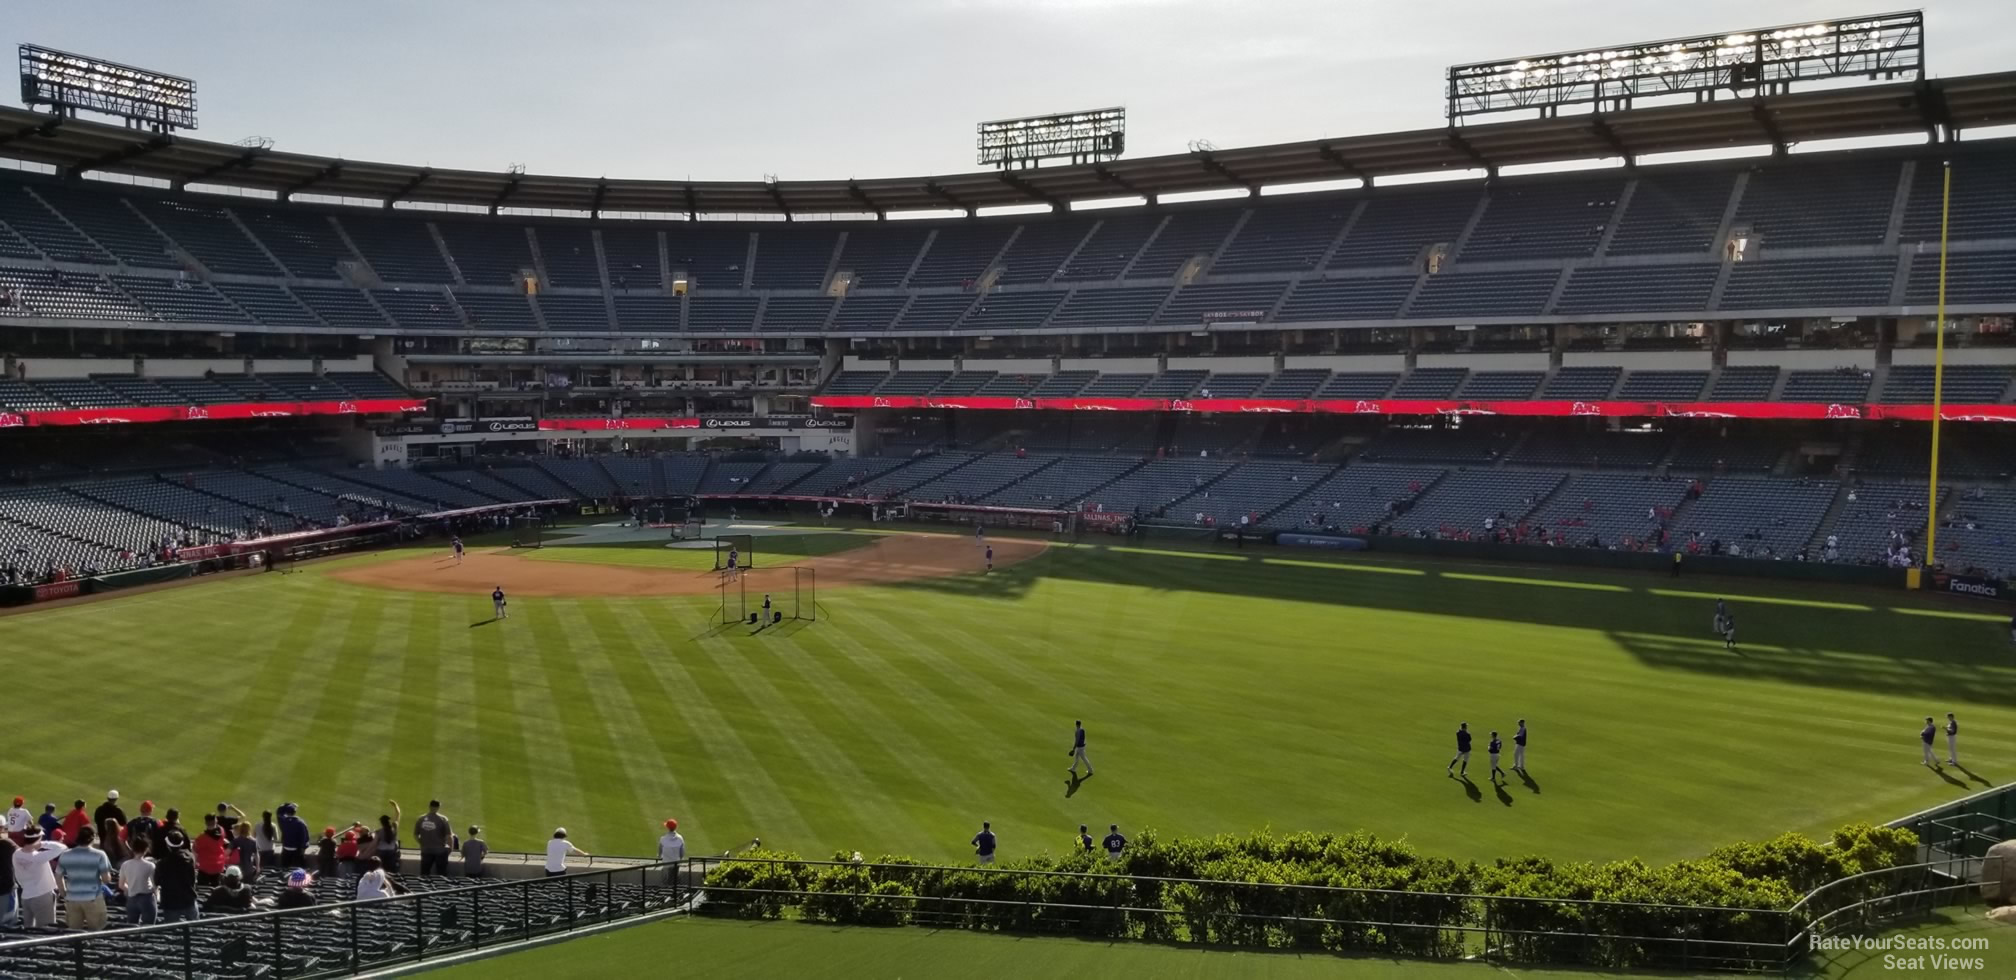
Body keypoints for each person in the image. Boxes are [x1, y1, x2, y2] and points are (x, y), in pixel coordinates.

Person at [54, 826, 111, 930]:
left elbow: (58, 876)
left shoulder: (65, 855)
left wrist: (63, 892)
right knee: (96, 930)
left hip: (72, 898)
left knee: (74, 932)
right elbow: (106, 879)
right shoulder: (99, 854)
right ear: (93, 837)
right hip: (93, 898)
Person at [13, 827, 66, 929]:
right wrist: (42, 844)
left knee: (28, 929)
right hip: (42, 896)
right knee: (46, 929)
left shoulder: (16, 854)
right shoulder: (38, 857)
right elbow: (62, 847)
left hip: (26, 895)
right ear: (39, 838)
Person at [155, 831, 201, 924]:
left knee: (171, 932)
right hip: (188, 899)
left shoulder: (162, 863)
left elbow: (157, 881)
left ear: (168, 845)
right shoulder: (190, 858)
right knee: (195, 927)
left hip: (171, 902)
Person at [120, 835, 158, 925]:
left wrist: (131, 889)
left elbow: (121, 885)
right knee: (149, 926)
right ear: (146, 849)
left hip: (131, 898)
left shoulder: (125, 864)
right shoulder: (150, 865)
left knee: (132, 927)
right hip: (147, 899)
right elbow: (155, 885)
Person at [415, 800, 454, 876]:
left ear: (429, 806)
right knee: (441, 874)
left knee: (424, 873)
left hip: (426, 850)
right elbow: (449, 836)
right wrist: (449, 849)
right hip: (440, 850)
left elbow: (416, 835)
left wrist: (422, 843)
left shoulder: (421, 819)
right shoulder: (443, 819)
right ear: (438, 807)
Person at [278, 803, 310, 869]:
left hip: (285, 849)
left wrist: (287, 804)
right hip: (297, 850)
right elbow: (304, 837)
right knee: (301, 869)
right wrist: (304, 847)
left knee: (284, 869)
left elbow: (279, 811)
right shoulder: (300, 823)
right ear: (295, 812)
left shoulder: (283, 821)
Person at [377, 801, 405, 872]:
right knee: (391, 868)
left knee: (381, 869)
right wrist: (395, 805)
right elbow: (398, 814)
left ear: (382, 823)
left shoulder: (379, 831)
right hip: (392, 851)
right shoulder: (394, 827)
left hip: (381, 851)